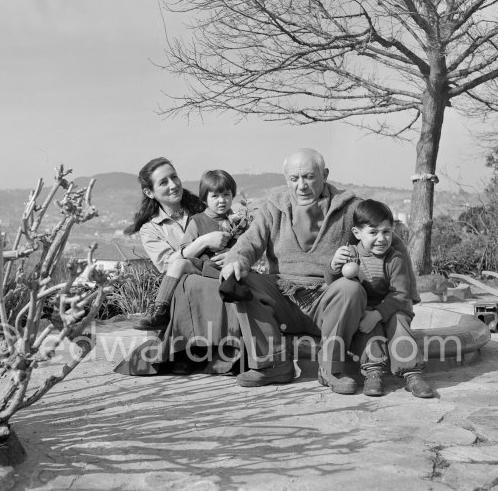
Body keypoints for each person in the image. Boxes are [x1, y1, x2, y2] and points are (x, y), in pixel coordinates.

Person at [220, 148, 419, 393]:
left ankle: (331, 369)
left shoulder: (349, 208)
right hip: (283, 295)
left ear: (324, 174)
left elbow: (386, 236)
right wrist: (236, 260)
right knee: (242, 279)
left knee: (350, 288)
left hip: (327, 300)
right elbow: (250, 241)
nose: (301, 185)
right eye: (294, 179)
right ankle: (272, 365)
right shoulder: (274, 206)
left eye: (309, 177)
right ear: (286, 180)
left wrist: (402, 292)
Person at [115, 158, 242, 376]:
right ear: (149, 192)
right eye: (163, 182)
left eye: (174, 177)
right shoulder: (151, 229)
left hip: (214, 276)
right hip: (181, 286)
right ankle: (165, 319)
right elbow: (168, 265)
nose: (173, 185)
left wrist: (233, 253)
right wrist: (203, 241)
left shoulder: (209, 208)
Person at [325, 199, 434, 398]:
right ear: (357, 233)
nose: (381, 238)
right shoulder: (351, 255)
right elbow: (334, 285)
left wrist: (378, 314)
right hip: (366, 309)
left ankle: (412, 373)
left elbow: (401, 294)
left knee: (399, 323)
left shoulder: (395, 258)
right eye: (373, 232)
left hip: (394, 307)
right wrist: (333, 266)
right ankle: (373, 371)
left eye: (386, 231)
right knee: (367, 326)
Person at [133, 169, 248, 330]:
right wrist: (205, 241)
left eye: (227, 195)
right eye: (215, 196)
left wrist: (233, 255)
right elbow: (181, 253)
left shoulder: (238, 221)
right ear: (206, 198)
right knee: (179, 264)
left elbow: (249, 246)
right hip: (203, 267)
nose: (221, 200)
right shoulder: (197, 220)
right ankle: (160, 309)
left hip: (230, 269)